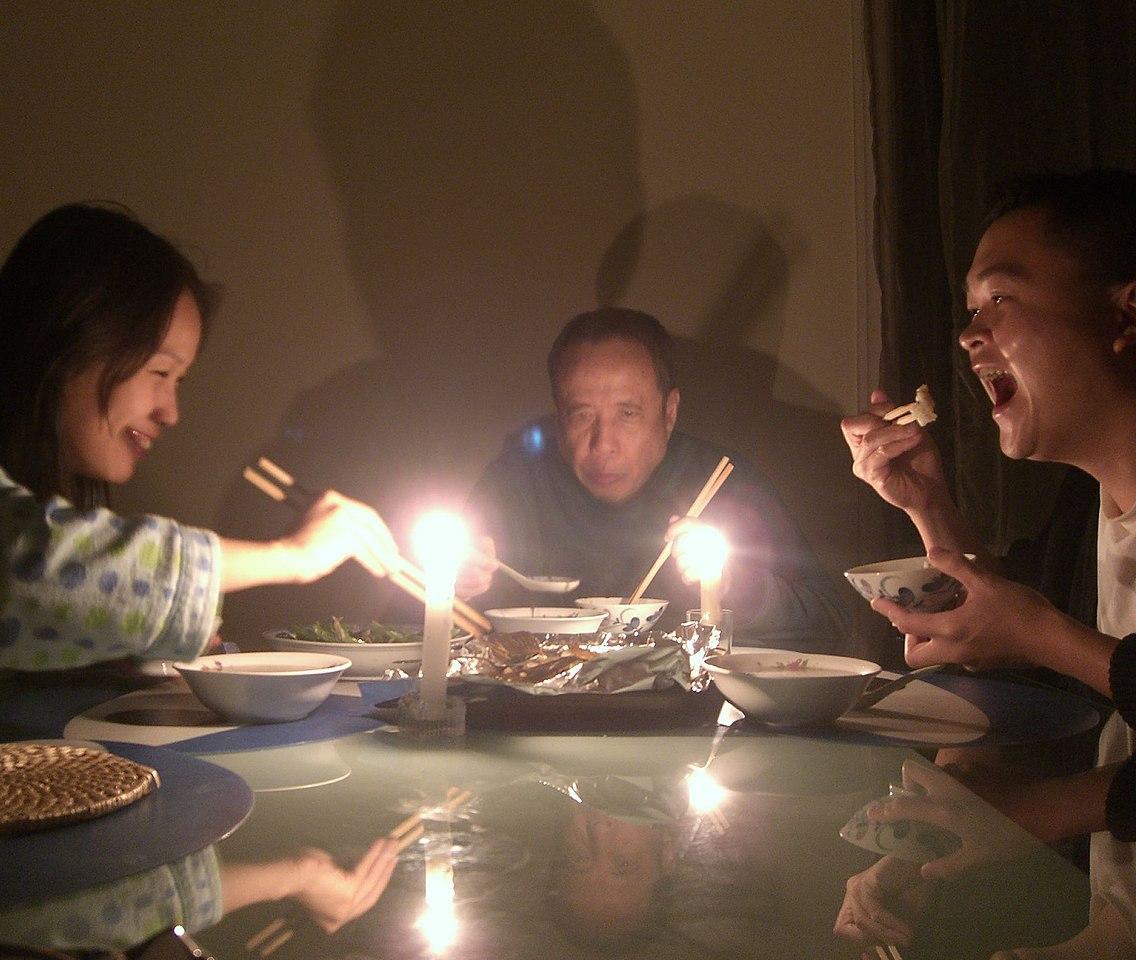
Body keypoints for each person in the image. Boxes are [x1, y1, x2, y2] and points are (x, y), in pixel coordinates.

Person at [0, 203, 401, 728]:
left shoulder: (17, 470)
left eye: (178, 381)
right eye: (158, 372)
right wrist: (291, 556)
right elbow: (10, 571)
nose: (171, 412)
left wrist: (105, 648)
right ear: (66, 342)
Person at [840, 168, 1136, 955]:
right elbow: (1007, 671)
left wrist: (1047, 807)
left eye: (1001, 300)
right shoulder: (1087, 512)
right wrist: (927, 506)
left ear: (1126, 311)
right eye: (970, 310)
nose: (971, 334)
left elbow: (1032, 642)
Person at [457, 306, 851, 650]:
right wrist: (452, 587)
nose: (603, 444)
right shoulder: (517, 482)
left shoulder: (724, 483)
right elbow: (413, 623)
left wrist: (735, 586)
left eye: (627, 413)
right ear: (559, 416)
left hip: (694, 726)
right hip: (536, 721)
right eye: (581, 414)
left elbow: (829, 626)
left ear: (669, 412)